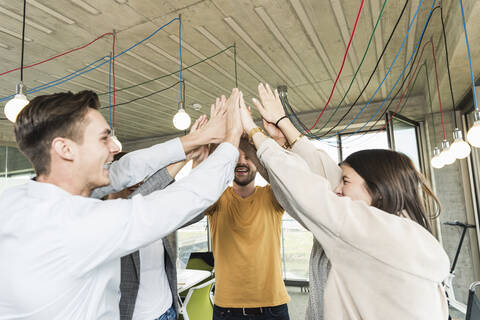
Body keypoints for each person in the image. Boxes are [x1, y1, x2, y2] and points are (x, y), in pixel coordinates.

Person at [0, 88, 243, 320]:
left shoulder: (18, 200)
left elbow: (126, 169)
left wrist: (194, 139)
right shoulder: (77, 224)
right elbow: (186, 198)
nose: (115, 147)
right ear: (65, 149)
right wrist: (232, 136)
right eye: (104, 138)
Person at [238, 83, 450, 320]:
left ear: (378, 189)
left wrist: (255, 132)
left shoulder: (379, 234)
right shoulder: (390, 223)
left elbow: (308, 189)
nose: (336, 189)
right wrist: (283, 127)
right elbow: (322, 177)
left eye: (345, 181)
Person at [205, 94, 290, 320]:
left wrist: (249, 137)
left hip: (272, 307)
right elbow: (202, 185)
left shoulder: (272, 196)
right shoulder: (217, 199)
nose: (241, 162)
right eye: (236, 158)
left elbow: (283, 177)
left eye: (247, 158)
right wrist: (221, 144)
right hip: (227, 309)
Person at [117, 116, 210, 320]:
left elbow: (195, 212)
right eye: (129, 176)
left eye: (140, 176)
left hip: (167, 310)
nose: (137, 182)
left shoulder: (153, 212)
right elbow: (135, 202)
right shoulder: (109, 217)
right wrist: (185, 153)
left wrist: (198, 163)